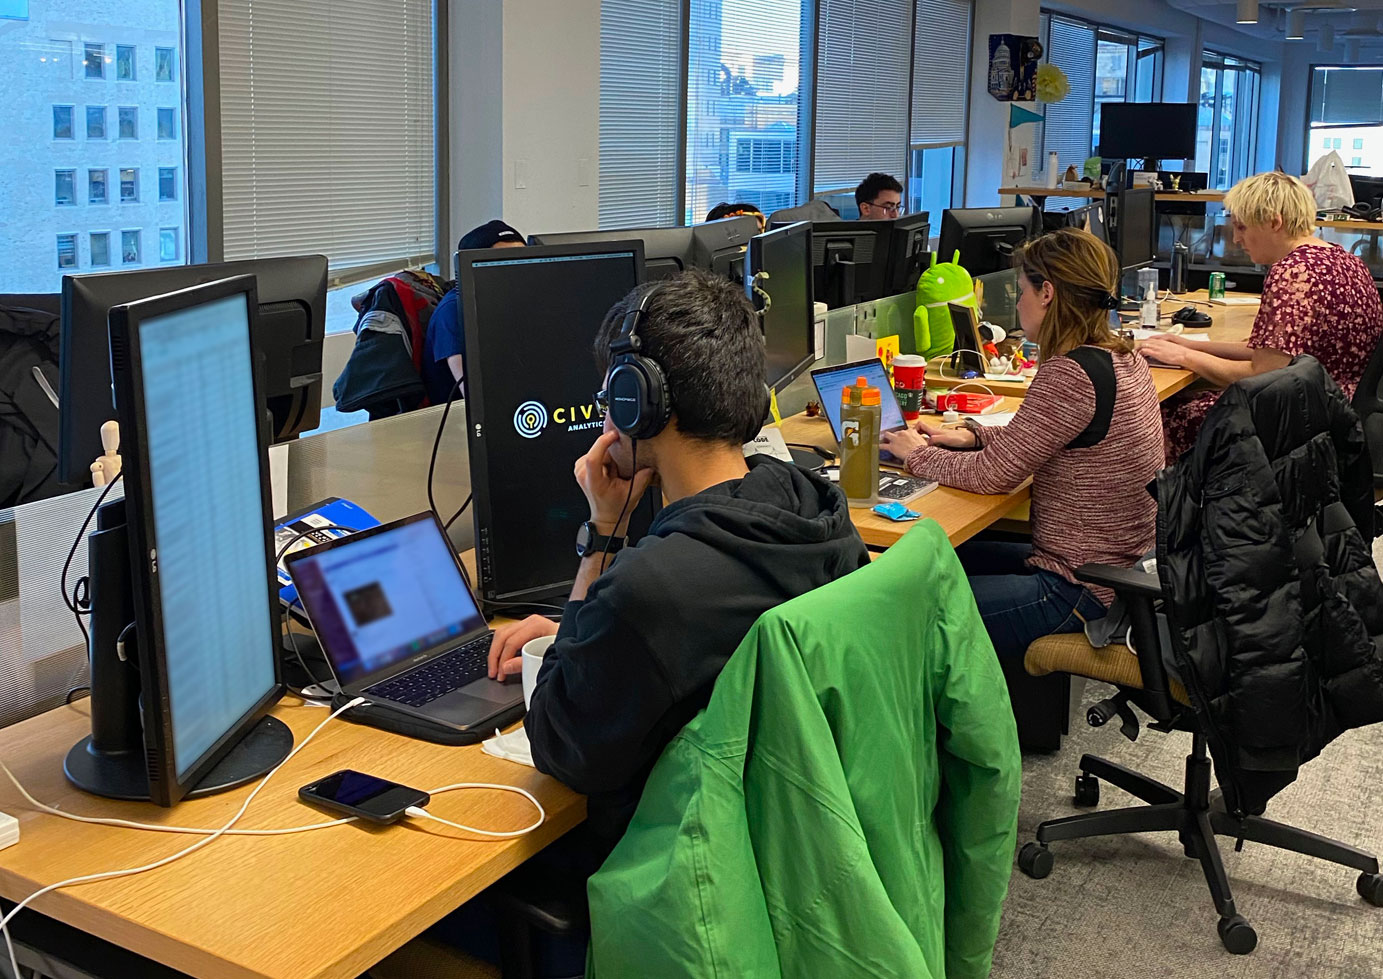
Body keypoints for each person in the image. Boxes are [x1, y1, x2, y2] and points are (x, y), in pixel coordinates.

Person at [488, 269, 868, 862]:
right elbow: (704, 643)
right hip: (795, 850)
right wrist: (585, 634)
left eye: (609, 396)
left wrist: (602, 539)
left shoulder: (652, 591)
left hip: (670, 881)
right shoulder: (815, 511)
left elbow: (559, 745)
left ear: (635, 401)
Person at [879, 228, 1163, 660]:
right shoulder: (1123, 357)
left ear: (1047, 293)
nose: (1016, 302)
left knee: (898, 613)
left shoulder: (1070, 374)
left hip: (1078, 589)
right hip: (1112, 569)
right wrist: (969, 435)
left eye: (1022, 290)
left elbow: (994, 476)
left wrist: (915, 453)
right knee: (928, 560)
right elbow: (1050, 435)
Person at [1147, 170, 1383, 464]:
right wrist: (1189, 345)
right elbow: (1270, 352)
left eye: (1242, 228)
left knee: (1162, 412)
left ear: (1274, 222)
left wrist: (1185, 360)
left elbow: (1265, 375)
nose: (1236, 238)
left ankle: (1170, 510)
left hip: (1303, 420)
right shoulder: (1343, 258)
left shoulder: (1293, 273)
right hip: (1337, 408)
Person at [422, 219, 526, 405]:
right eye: (503, 261)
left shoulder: (511, 301)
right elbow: (474, 395)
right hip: (457, 422)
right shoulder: (453, 311)